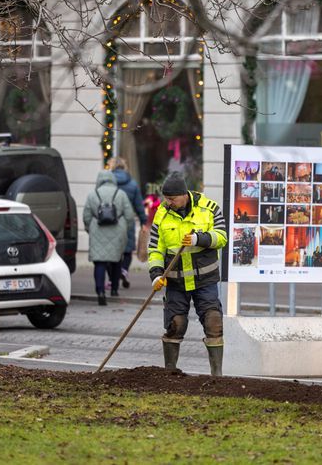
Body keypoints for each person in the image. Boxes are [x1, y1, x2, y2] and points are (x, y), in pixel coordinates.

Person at [148, 171, 227, 376]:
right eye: (166, 198)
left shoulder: (209, 209)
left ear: (184, 194)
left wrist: (198, 239)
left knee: (213, 322)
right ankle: (170, 374)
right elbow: (155, 248)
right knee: (176, 324)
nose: (168, 202)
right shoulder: (162, 213)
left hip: (205, 280)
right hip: (175, 282)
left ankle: (217, 376)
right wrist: (156, 274)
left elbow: (222, 237)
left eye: (172, 198)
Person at [83, 170, 135, 305]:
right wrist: (125, 229)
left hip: (97, 231)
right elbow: (129, 215)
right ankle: (114, 290)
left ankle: (100, 291)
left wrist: (90, 229)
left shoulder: (92, 194)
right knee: (117, 260)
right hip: (118, 231)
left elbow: (86, 216)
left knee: (99, 262)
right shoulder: (121, 194)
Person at [108, 157, 148, 289]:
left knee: (112, 251)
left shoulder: (107, 183)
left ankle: (112, 278)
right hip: (128, 220)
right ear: (125, 167)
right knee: (127, 250)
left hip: (110, 221)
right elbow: (139, 205)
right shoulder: (132, 184)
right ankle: (123, 271)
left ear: (112, 166)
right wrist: (143, 221)